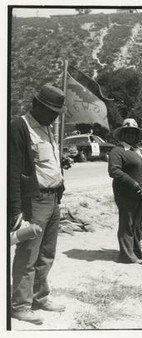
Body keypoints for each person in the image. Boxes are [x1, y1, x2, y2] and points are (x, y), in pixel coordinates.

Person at [9, 84, 67, 324]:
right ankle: (20, 305)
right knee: (28, 255)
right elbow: (11, 171)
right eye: (52, 110)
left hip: (53, 199)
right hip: (34, 201)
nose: (55, 115)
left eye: (57, 111)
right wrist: (15, 210)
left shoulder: (47, 128)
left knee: (46, 253)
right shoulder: (19, 127)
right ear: (38, 106)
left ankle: (39, 297)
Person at [108, 118, 142, 264]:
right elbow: (114, 171)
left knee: (138, 225)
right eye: (127, 132)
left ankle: (136, 251)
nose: (130, 135)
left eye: (133, 132)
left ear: (137, 135)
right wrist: (132, 183)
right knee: (127, 224)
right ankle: (126, 255)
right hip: (126, 194)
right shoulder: (117, 151)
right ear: (122, 134)